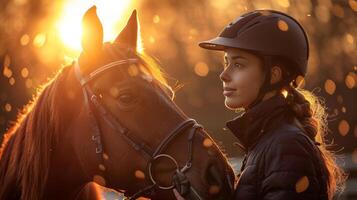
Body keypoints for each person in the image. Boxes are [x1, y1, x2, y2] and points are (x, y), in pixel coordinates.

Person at [198, 9, 346, 200]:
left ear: (274, 75)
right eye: (226, 62)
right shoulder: (268, 141)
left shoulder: (286, 145)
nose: (223, 75)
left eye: (238, 64)